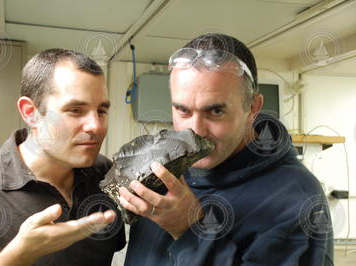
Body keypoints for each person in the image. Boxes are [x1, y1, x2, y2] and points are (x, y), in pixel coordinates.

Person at [119, 33, 333, 265]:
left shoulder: (296, 199)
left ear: (252, 107)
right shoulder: (164, 167)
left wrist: (190, 230)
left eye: (215, 111)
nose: (195, 131)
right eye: (183, 110)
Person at [0, 48, 125, 265]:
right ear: (31, 112)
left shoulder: (105, 173)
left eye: (101, 111)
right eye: (75, 110)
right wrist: (20, 255)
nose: (96, 126)